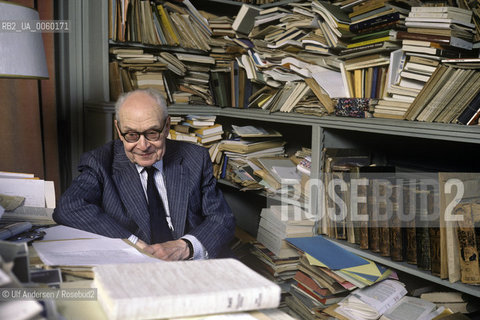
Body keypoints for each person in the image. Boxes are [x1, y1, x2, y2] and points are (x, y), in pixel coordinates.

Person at [53, 88, 235, 260]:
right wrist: (133, 243)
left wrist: (184, 247)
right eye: (131, 135)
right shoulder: (100, 162)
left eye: (152, 133)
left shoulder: (195, 158)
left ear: (167, 126)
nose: (143, 146)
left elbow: (222, 218)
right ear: (118, 130)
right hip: (130, 265)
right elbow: (69, 207)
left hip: (189, 265)